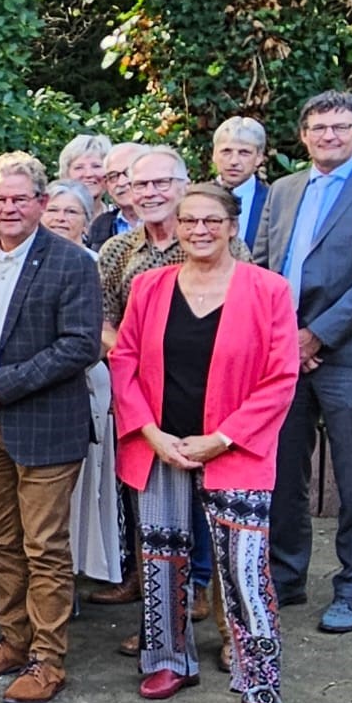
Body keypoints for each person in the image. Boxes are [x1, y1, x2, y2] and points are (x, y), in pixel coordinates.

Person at [110, 184, 299, 703]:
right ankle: (167, 659)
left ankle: (260, 690)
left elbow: (281, 376)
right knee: (162, 558)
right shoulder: (149, 286)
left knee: (244, 575)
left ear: (233, 226)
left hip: (233, 450)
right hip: (161, 444)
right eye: (189, 220)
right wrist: (149, 431)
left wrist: (221, 438)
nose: (198, 230)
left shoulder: (268, 290)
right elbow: (124, 360)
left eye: (211, 220)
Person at [0, 153, 102, 703]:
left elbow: (80, 345)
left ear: (40, 202)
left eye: (19, 198)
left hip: (44, 427)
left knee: (44, 547)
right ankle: (14, 640)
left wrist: (1, 385)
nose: (8, 208)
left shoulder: (72, 262)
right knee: (1, 544)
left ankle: (47, 659)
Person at [256, 90, 352, 635]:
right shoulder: (282, 191)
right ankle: (287, 577)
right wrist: (283, 338)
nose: (329, 136)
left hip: (351, 354)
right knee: (281, 474)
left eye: (341, 127)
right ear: (303, 135)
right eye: (319, 127)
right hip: (284, 353)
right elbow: (260, 266)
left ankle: (351, 589)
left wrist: (315, 336)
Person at [93, 148, 250, 619]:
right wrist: (140, 353)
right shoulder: (118, 250)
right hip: (143, 400)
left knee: (222, 522)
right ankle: (161, 616)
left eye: (163, 183)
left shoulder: (212, 239)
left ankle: (223, 623)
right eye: (141, 185)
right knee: (156, 515)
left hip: (215, 401)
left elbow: (245, 317)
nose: (151, 193)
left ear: (184, 186)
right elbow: (101, 319)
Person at [42, 181, 122, 589]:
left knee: (82, 483)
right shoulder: (26, 262)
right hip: (34, 390)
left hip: (89, 383)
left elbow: (109, 332)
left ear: (87, 220)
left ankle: (72, 572)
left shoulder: (97, 264)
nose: (60, 219)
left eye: (71, 212)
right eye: (53, 210)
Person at [213, 117, 270, 249]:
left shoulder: (273, 202)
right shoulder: (195, 199)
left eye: (244, 153)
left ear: (259, 157)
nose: (234, 161)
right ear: (214, 154)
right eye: (226, 151)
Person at [85, 142, 146, 249]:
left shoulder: (171, 220)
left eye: (128, 172)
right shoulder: (100, 224)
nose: (121, 182)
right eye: (113, 176)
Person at [57, 134, 111, 210]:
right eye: (79, 168)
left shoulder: (121, 218)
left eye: (96, 166)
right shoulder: (49, 219)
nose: (88, 174)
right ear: (66, 174)